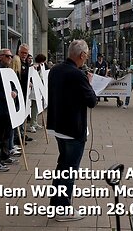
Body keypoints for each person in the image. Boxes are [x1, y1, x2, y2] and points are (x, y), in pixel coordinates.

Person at [46, 40, 97, 221]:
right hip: (73, 130)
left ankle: (56, 204)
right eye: (87, 54)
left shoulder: (55, 70)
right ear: (82, 55)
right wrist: (89, 83)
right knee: (69, 171)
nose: (87, 57)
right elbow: (92, 101)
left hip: (58, 127)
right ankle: (63, 210)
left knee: (62, 167)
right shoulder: (77, 74)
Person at [28, 54, 47, 132]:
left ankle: (35, 122)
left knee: (37, 107)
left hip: (39, 90)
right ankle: (32, 124)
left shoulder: (42, 67)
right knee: (34, 107)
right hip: (34, 90)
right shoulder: (35, 67)